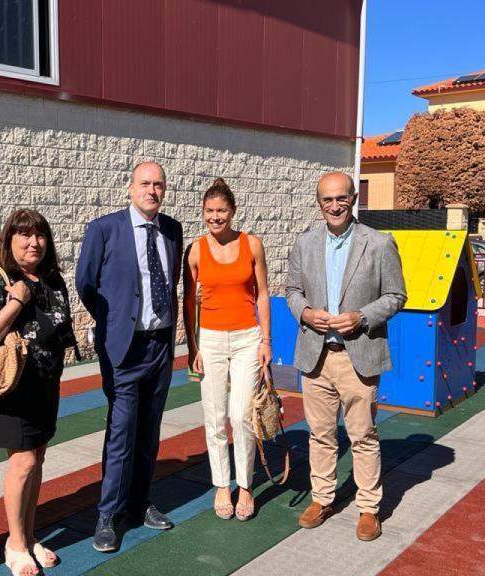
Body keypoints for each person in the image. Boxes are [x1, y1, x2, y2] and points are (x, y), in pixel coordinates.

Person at [285, 171, 406, 542]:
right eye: (327, 200)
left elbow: (397, 296)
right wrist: (305, 313)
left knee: (363, 435)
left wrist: (362, 317)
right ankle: (323, 498)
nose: (335, 206)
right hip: (316, 355)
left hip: (359, 355)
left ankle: (369, 508)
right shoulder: (304, 244)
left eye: (341, 198)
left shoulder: (379, 243)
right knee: (320, 435)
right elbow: (291, 291)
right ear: (318, 203)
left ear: (354, 199)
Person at [75, 161, 184, 552]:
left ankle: (140, 503)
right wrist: (113, 320)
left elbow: (170, 281)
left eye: (158, 184)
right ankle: (109, 514)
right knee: (122, 431)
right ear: (130, 188)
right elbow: (85, 283)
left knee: (149, 430)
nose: (151, 190)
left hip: (160, 345)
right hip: (123, 348)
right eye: (144, 184)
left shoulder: (172, 229)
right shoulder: (103, 229)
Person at [0, 209, 77, 576]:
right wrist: (16, 301)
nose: (34, 242)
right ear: (9, 240)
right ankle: (14, 543)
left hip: (46, 386)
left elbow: (60, 329)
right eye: (25, 235)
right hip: (12, 387)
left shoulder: (53, 279)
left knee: (38, 460)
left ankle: (29, 536)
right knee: (24, 462)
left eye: (40, 236)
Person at [183, 178, 272, 522]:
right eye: (209, 211)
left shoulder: (252, 245)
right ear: (203, 213)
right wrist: (193, 347)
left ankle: (246, 485)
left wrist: (267, 340)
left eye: (221, 211)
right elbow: (189, 301)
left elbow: (263, 294)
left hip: (248, 337)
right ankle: (222, 485)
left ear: (233, 211)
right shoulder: (195, 250)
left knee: (241, 415)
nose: (215, 217)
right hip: (211, 340)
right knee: (214, 417)